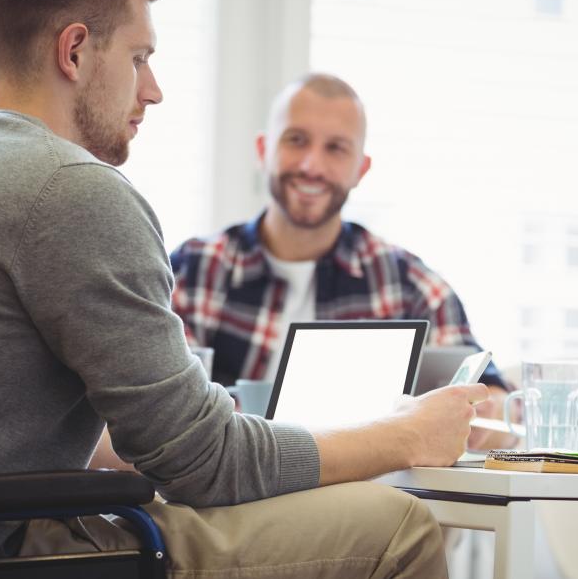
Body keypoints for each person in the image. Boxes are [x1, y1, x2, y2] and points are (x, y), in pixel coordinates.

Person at [0, 0, 485, 576]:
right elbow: (205, 462)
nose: (151, 90)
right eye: (139, 58)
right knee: (398, 524)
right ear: (73, 52)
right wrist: (404, 434)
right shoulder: (70, 190)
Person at [169, 74, 517, 449]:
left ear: (360, 170)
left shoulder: (407, 281)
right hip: (230, 490)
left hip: (363, 493)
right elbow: (166, 410)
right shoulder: (194, 270)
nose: (311, 166)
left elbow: (487, 393)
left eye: (335, 148)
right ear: (263, 149)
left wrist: (485, 413)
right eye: (296, 140)